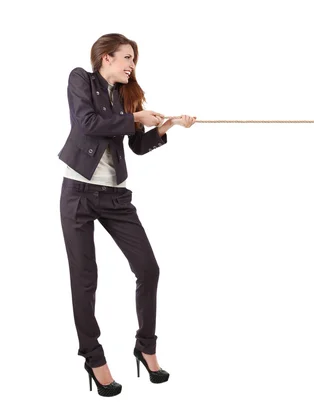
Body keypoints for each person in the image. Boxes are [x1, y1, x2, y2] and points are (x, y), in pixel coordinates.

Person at [58, 33, 196, 397]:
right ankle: (93, 355)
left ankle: (145, 346)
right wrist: (134, 116)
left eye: (134, 59)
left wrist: (166, 127)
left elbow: (136, 146)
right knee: (85, 278)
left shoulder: (127, 96)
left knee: (148, 268)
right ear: (106, 58)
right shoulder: (80, 80)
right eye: (127, 57)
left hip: (116, 197)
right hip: (78, 194)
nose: (132, 64)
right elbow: (87, 123)